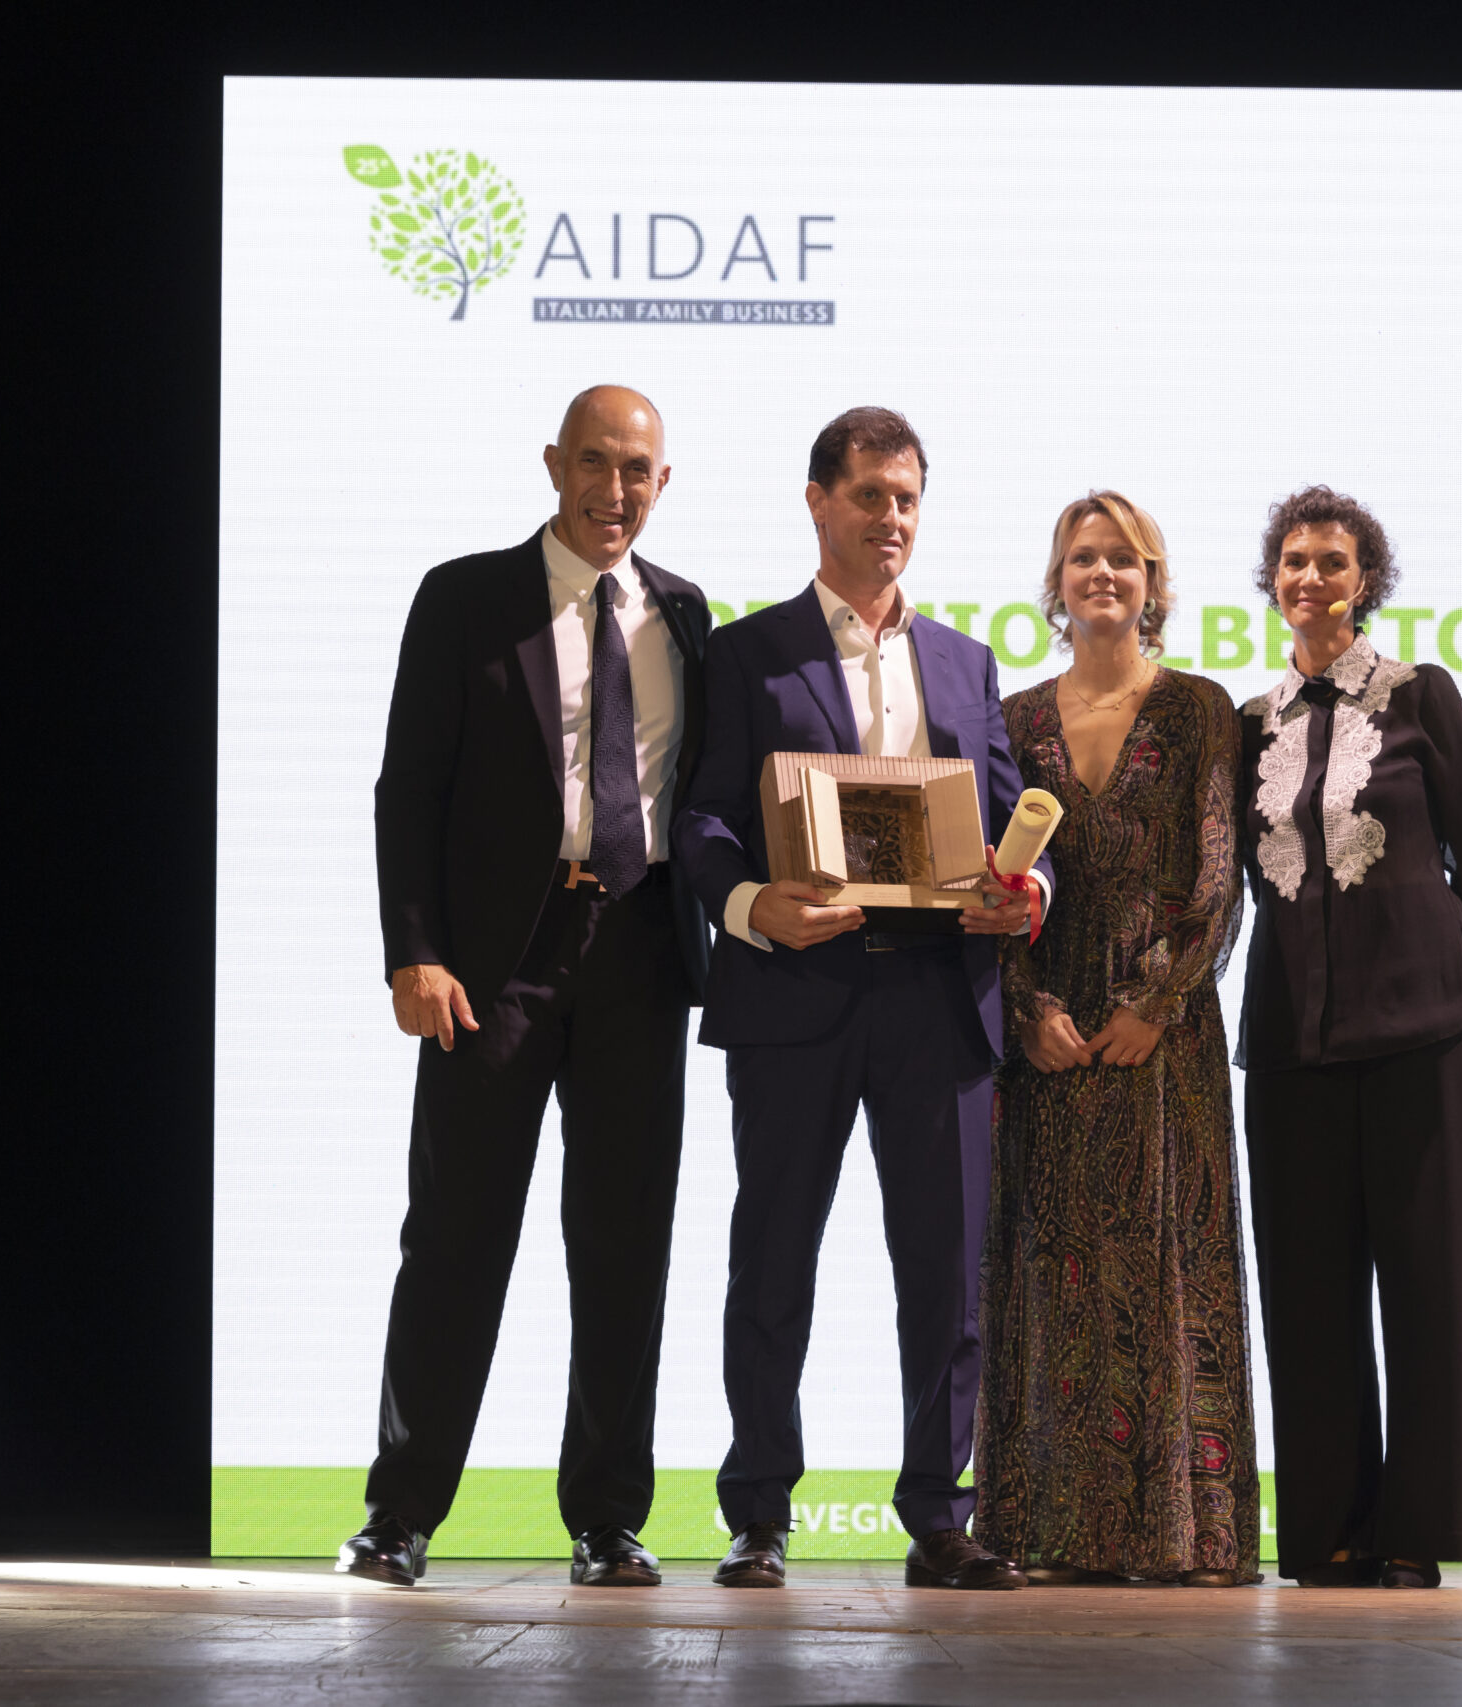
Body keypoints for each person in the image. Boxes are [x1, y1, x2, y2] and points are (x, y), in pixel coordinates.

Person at [672, 407, 1052, 1592]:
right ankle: (757, 1512)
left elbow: (1008, 822)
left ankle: (940, 1515)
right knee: (773, 1258)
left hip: (939, 998)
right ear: (817, 502)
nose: (891, 518)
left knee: (945, 1275)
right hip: (795, 989)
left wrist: (1025, 892)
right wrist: (751, 904)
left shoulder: (964, 661)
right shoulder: (746, 651)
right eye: (870, 495)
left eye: (907, 499)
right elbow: (702, 819)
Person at [342, 385, 714, 1590]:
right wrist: (412, 951)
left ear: (663, 483)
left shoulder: (686, 614)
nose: (615, 490)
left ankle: (607, 1521)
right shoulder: (464, 597)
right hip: (490, 967)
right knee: (454, 1239)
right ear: (555, 464)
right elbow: (408, 788)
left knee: (624, 1251)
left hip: (639, 950)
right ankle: (399, 1516)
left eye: (637, 470)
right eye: (595, 463)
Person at [975, 491, 1260, 1587]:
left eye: (1124, 559)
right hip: (1047, 1033)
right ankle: (1045, 1530)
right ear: (1057, 583)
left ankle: (1180, 1536)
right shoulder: (1009, 721)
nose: (1103, 573)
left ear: (1153, 584)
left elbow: (1219, 875)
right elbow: (989, 883)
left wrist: (1161, 1000)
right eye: (1084, 557)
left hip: (1160, 1033)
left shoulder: (1199, 710)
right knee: (1049, 1273)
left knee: (1168, 1269)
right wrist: (1026, 1008)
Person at [1235, 486, 1462, 1590]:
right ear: (1272, 580)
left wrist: (1423, 966)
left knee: (1429, 1287)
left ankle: (1410, 1532)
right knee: (1307, 1293)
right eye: (1293, 561)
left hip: (1421, 1035)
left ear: (1366, 581)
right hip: (1288, 1042)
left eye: (1332, 562)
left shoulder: (1419, 694)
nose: (1311, 578)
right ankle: (1329, 1531)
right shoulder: (1248, 724)